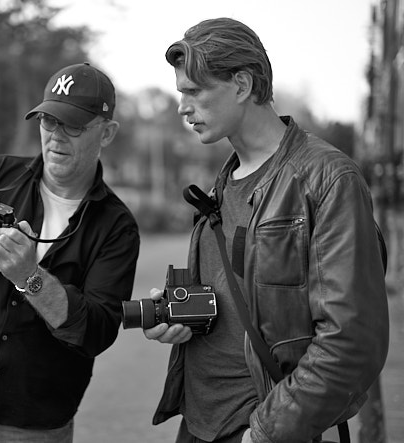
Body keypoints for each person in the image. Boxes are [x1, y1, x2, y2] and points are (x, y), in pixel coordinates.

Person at [143, 18, 389, 443]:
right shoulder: (225, 181)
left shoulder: (326, 179)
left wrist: (266, 433)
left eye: (194, 92)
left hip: (265, 427)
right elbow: (243, 300)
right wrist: (180, 317)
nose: (182, 108)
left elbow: (351, 341)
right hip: (200, 423)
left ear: (241, 85)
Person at [0, 62, 140, 443]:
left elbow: (96, 332)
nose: (55, 137)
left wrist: (29, 277)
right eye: (48, 122)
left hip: (35, 427)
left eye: (73, 126)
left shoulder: (116, 226)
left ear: (107, 133)